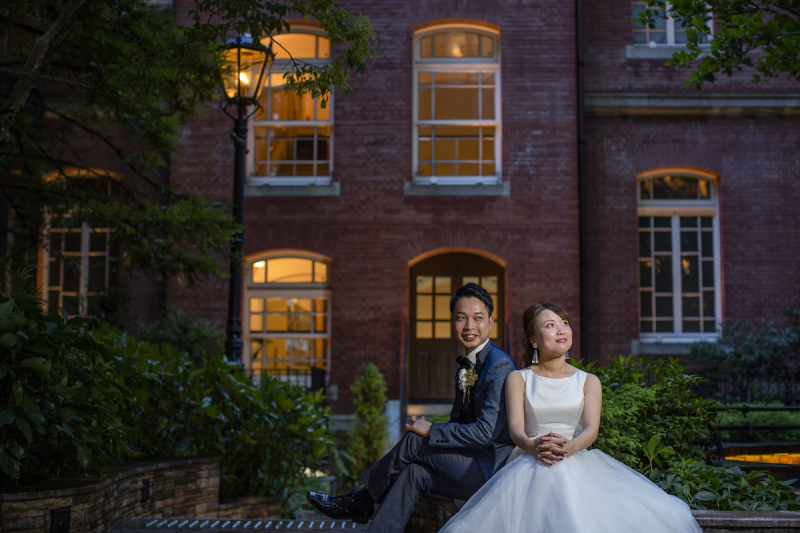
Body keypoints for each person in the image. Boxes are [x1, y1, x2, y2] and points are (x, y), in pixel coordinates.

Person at [439, 302, 703, 533]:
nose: (561, 330)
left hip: (576, 456)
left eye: (564, 323)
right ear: (533, 339)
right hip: (530, 459)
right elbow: (516, 429)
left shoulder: (589, 381)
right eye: (551, 325)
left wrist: (566, 448)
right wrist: (534, 446)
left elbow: (590, 430)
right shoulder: (518, 379)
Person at [307, 283, 518, 533]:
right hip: (467, 464)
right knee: (414, 472)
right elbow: (458, 422)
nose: (469, 326)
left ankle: (360, 501)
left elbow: (485, 433)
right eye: (461, 318)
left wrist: (431, 431)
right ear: (453, 322)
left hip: (488, 469)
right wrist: (428, 431)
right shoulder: (464, 368)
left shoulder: (499, 365)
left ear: (491, 322)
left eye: (478, 318)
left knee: (413, 443)